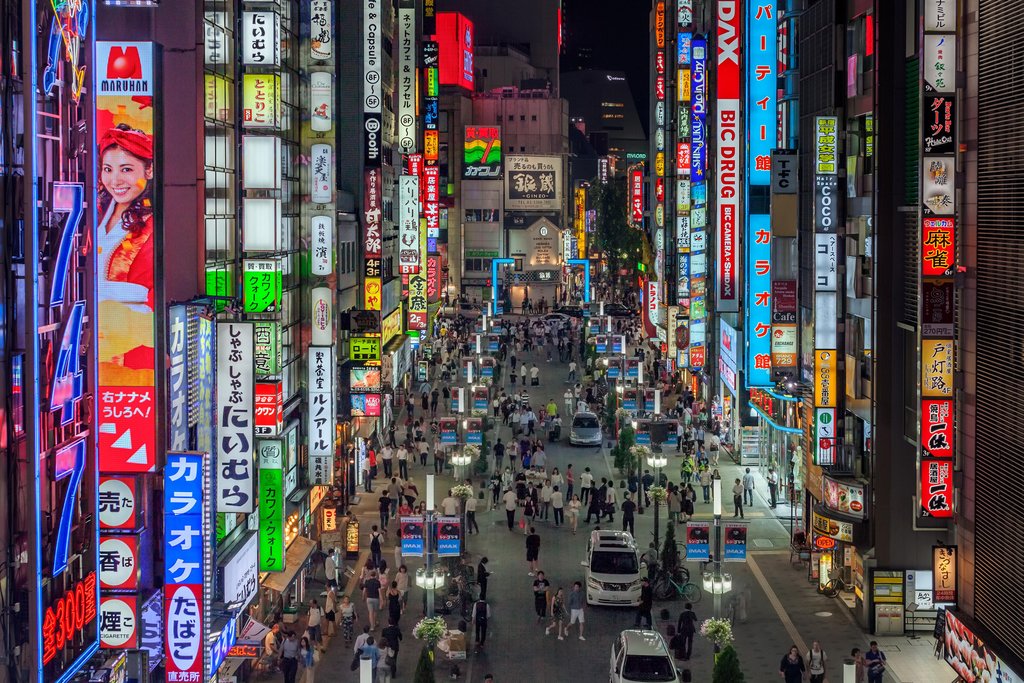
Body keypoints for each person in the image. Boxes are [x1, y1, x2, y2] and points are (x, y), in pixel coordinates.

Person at [97, 124, 155, 309]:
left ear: (149, 170)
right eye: (108, 169)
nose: (115, 181)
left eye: (126, 169)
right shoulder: (95, 212)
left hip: (131, 326)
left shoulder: (157, 225)